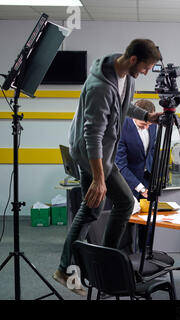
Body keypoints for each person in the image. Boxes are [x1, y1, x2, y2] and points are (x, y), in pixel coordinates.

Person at [53, 39, 162, 295]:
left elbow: (124, 106)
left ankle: (71, 268)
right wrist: (99, 179)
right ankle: (106, 264)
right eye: (146, 67)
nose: (146, 72)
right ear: (134, 59)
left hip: (103, 152)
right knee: (123, 201)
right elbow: (92, 135)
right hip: (92, 153)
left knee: (90, 211)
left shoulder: (126, 76)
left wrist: (146, 116)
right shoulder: (100, 86)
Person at [116, 99, 157, 251]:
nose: (147, 127)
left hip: (147, 178)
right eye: (143, 124)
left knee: (149, 222)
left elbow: (152, 152)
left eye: (149, 124)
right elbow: (120, 165)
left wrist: (156, 178)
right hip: (127, 181)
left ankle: (146, 255)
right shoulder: (121, 128)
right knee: (128, 223)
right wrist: (140, 188)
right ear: (133, 116)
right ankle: (126, 260)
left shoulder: (152, 125)